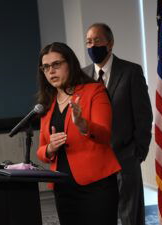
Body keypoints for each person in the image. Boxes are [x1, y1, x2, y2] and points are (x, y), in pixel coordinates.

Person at [36, 42, 121, 225]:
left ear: (70, 64)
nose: (51, 71)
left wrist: (83, 125)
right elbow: (42, 150)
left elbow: (105, 134)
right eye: (46, 67)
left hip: (97, 186)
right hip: (63, 188)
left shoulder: (93, 91)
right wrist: (50, 148)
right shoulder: (47, 103)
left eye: (56, 64)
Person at [83, 23, 153, 225]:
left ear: (110, 44)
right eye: (88, 41)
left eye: (97, 41)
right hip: (95, 160)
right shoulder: (82, 76)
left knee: (130, 216)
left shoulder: (131, 71)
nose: (92, 45)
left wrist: (138, 152)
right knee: (100, 214)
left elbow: (143, 115)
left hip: (125, 157)